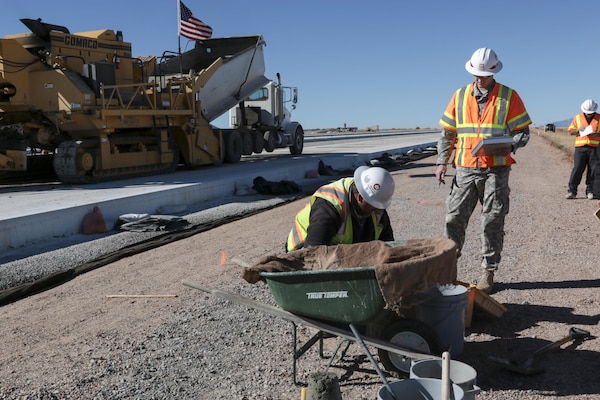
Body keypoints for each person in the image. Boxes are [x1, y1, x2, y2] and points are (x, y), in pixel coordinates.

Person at [435, 47, 532, 294]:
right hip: (466, 169)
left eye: (484, 75)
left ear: (493, 72)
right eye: (476, 75)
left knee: (492, 219)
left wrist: (509, 144)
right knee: (453, 218)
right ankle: (448, 272)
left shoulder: (509, 96)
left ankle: (488, 271)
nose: (479, 79)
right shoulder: (459, 96)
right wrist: (441, 162)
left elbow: (523, 133)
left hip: (496, 170)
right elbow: (447, 134)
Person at [287, 166, 395, 251]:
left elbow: (388, 247)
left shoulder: (375, 206)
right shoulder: (329, 206)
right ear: (360, 197)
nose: (377, 210)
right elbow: (313, 250)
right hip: (301, 256)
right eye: (374, 206)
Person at [565, 99, 600, 200]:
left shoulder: (599, 118)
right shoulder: (578, 118)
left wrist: (596, 134)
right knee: (577, 168)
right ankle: (572, 191)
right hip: (580, 148)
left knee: (593, 170)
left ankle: (590, 191)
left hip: (595, 148)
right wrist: (578, 130)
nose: (589, 114)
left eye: (591, 113)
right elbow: (570, 132)